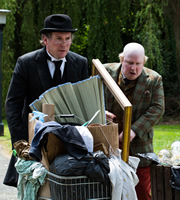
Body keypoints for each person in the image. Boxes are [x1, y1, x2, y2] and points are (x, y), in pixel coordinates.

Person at [4, 14, 89, 187]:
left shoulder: (80, 63)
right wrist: (21, 144)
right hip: (33, 140)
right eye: (58, 39)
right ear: (45, 39)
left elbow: (85, 102)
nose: (64, 44)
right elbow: (12, 105)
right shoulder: (26, 63)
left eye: (67, 39)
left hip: (69, 142)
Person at [104, 42, 165, 200]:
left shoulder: (154, 79)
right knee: (109, 189)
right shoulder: (103, 71)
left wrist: (134, 130)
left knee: (142, 191)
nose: (133, 68)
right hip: (106, 143)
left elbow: (157, 108)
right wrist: (100, 111)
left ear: (143, 62)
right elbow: (88, 96)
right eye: (129, 63)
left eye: (138, 64)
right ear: (122, 59)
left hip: (139, 147)